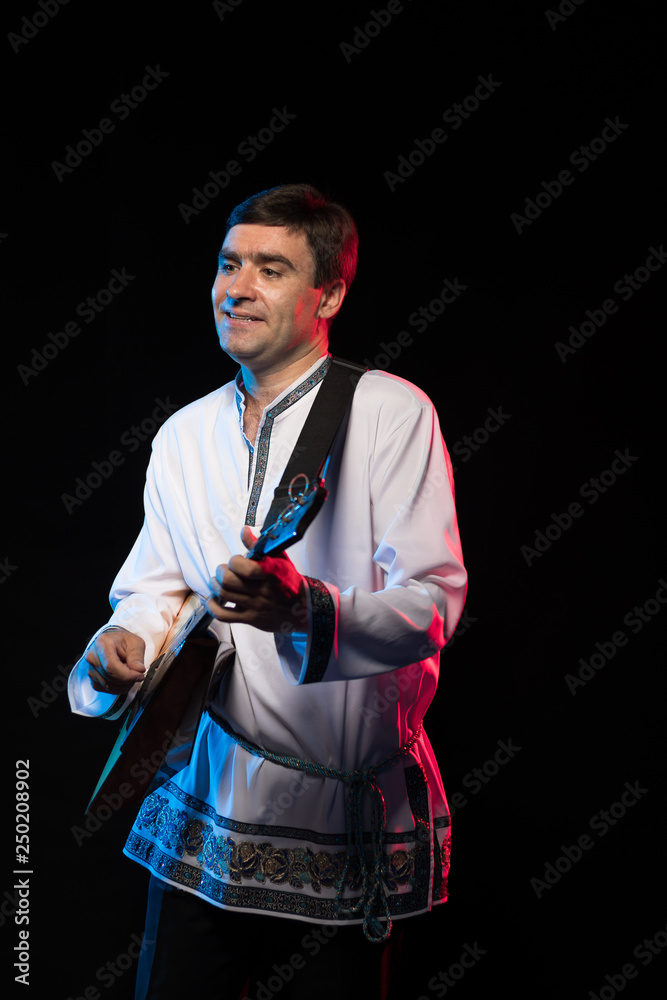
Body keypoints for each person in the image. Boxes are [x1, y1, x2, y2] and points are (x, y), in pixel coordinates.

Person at [68, 183, 467, 1000]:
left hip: (344, 816)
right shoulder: (184, 434)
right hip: (208, 801)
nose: (236, 287)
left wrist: (301, 609)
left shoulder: (389, 413)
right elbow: (157, 589)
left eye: (271, 269)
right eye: (228, 264)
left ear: (329, 294)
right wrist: (124, 647)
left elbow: (433, 603)